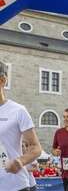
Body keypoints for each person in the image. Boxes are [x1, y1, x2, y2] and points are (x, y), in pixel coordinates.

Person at [0, 61, 42, 191]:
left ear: (2, 80)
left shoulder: (18, 111)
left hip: (14, 185)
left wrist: (20, 161)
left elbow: (36, 148)